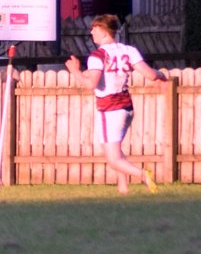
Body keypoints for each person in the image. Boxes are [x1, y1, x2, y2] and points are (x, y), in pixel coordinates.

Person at [64, 14, 167, 195]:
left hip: (109, 109)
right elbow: (150, 75)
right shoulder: (128, 50)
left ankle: (143, 175)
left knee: (112, 159)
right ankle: (123, 189)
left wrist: (74, 71)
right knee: (115, 151)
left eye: (94, 29)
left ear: (104, 31)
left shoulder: (98, 56)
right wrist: (161, 75)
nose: (91, 32)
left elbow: (91, 84)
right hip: (126, 108)